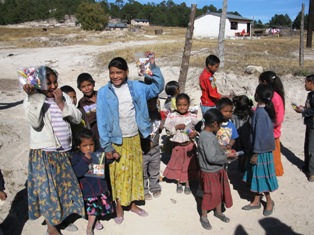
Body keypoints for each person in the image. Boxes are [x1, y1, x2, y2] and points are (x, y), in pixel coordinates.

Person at [96, 56, 164, 224]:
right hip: (116, 141)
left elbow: (157, 87)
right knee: (118, 175)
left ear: (126, 72)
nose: (115, 76)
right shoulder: (104, 92)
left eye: (119, 72)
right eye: (112, 73)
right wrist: (107, 146)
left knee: (134, 172)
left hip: (134, 137)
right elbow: (102, 120)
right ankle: (119, 207)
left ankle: (132, 204)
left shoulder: (137, 87)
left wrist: (152, 66)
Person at [22, 66, 85, 235]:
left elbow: (77, 117)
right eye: (47, 83)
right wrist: (35, 97)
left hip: (63, 153)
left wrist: (62, 103)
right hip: (44, 154)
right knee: (49, 193)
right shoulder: (32, 99)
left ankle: (60, 220)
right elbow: (35, 122)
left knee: (62, 190)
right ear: (38, 83)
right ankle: (52, 228)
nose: (52, 86)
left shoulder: (62, 96)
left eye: (54, 82)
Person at [242, 84, 278, 217]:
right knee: (256, 176)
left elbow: (261, 135)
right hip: (258, 149)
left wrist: (256, 153)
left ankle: (269, 201)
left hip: (260, 152)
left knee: (262, 177)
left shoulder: (261, 114)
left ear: (258, 96)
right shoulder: (262, 111)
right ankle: (256, 200)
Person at [70, 128, 116, 235]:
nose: (89, 148)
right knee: (93, 208)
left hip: (100, 187)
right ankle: (89, 228)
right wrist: (85, 160)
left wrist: (110, 157)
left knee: (98, 207)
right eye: (85, 146)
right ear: (78, 146)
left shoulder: (98, 152)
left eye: (91, 144)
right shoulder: (77, 157)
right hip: (89, 190)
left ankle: (96, 221)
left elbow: (104, 162)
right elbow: (77, 172)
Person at [197, 109, 237, 230]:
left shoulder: (209, 135)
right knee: (209, 194)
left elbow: (213, 149)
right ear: (214, 124)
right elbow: (211, 157)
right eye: (219, 125)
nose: (219, 127)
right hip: (210, 172)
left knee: (219, 192)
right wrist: (227, 156)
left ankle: (218, 212)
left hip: (217, 170)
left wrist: (222, 148)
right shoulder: (206, 138)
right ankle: (204, 217)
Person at [163, 93, 199, 195]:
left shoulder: (192, 116)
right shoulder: (172, 116)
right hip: (177, 146)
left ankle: (187, 184)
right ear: (176, 105)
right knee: (178, 164)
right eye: (179, 105)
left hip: (189, 146)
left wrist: (195, 133)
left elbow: (199, 127)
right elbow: (167, 128)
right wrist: (176, 127)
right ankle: (179, 183)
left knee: (188, 165)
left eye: (184, 105)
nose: (182, 107)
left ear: (188, 105)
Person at [259, 71, 285, 176]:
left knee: (273, 156)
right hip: (270, 130)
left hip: (272, 132)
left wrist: (268, 125)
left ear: (264, 82)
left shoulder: (275, 97)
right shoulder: (272, 95)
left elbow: (278, 119)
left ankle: (274, 173)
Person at [141, 97, 162, 200]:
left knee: (155, 169)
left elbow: (159, 128)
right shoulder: (140, 116)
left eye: (154, 102)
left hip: (155, 149)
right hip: (143, 150)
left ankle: (154, 187)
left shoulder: (157, 115)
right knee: (143, 171)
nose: (152, 105)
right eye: (149, 103)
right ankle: (144, 189)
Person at [294, 74, 314, 182]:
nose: (305, 84)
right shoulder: (310, 95)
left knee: (311, 149)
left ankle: (312, 173)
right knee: (307, 146)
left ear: (311, 82)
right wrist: (303, 108)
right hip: (309, 124)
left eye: (306, 82)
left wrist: (304, 111)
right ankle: (307, 166)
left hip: (313, 125)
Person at [232, 95, 254, 172]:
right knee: (245, 150)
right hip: (246, 135)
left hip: (237, 134)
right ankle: (243, 165)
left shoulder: (234, 113)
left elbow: (233, 124)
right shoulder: (249, 113)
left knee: (239, 149)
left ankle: (239, 164)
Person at [77, 73, 99, 142]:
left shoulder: (101, 95)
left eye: (89, 85)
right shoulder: (82, 103)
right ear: (79, 89)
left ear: (93, 84)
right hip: (95, 134)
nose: (87, 88)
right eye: (83, 87)